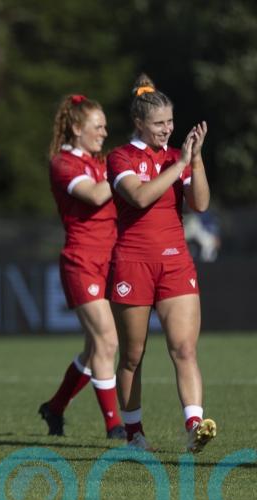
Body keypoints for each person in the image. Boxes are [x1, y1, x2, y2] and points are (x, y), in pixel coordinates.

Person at [107, 74, 216, 453]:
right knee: (133, 356)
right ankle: (134, 433)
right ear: (139, 123)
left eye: (170, 122)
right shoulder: (120, 157)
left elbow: (200, 204)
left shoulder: (177, 157)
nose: (167, 130)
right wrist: (180, 163)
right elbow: (139, 197)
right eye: (159, 124)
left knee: (184, 349)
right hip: (132, 265)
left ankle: (194, 426)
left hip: (175, 263)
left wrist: (195, 161)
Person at [38, 95, 125, 439]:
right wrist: (127, 173)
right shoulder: (63, 163)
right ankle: (115, 427)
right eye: (97, 126)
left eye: (105, 126)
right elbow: (95, 195)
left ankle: (55, 407)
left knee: (95, 348)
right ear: (76, 128)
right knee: (107, 341)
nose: (104, 132)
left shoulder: (103, 162)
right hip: (82, 260)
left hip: (111, 259)